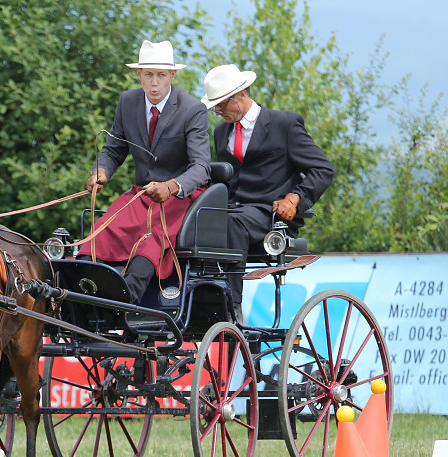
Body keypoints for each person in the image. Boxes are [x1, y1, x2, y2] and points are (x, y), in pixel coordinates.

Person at [77, 40, 210, 303]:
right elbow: (114, 149)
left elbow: (202, 168)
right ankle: (81, 297)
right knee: (100, 231)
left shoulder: (192, 109)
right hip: (142, 195)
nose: (154, 83)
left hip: (180, 198)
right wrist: (100, 171)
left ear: (173, 75)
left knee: (150, 240)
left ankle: (125, 304)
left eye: (161, 75)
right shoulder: (128, 101)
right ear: (138, 74)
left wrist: (171, 187)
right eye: (148, 74)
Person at [201, 64, 334, 320]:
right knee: (197, 222)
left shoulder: (284, 124)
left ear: (240, 95)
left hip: (270, 215)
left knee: (230, 223)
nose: (217, 112)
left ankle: (231, 308)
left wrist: (295, 198)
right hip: (234, 210)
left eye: (221, 105)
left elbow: (322, 168)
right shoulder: (221, 133)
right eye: (214, 106)